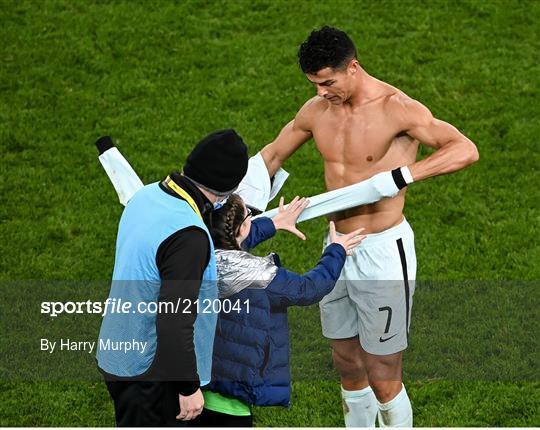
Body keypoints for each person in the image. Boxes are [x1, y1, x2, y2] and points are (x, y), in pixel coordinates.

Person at [260, 26, 479, 427]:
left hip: (382, 252)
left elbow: (465, 149)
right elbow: (271, 156)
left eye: (328, 82)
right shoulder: (316, 112)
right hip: (336, 249)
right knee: (346, 363)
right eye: (314, 84)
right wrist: (233, 202)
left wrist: (402, 177)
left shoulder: (396, 108)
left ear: (353, 68)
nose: (322, 92)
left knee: (382, 374)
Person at [96, 129, 249, 426]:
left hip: (119, 351)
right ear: (228, 188)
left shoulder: (146, 195)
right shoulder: (188, 236)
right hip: (152, 374)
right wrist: (188, 386)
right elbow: (173, 320)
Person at [188, 194, 365, 427]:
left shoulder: (195, 258)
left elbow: (230, 240)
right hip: (232, 409)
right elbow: (308, 289)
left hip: (192, 392)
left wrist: (274, 223)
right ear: (240, 228)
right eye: (250, 216)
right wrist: (336, 250)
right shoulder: (261, 277)